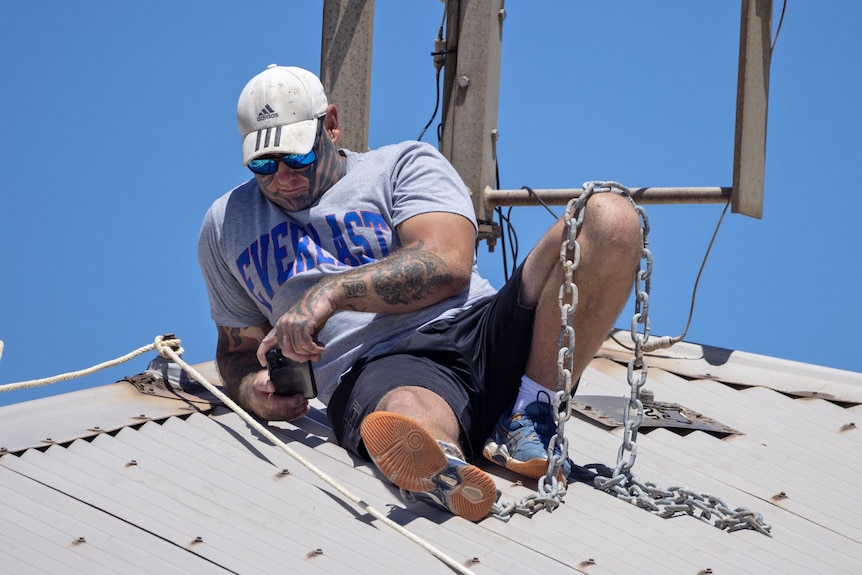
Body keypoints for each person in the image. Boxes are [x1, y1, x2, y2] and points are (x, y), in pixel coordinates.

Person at [198, 64, 642, 522]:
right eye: (263, 166)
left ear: (330, 125)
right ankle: (444, 468)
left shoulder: (401, 165)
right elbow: (237, 351)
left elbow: (448, 262)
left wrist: (331, 293)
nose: (282, 178)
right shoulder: (225, 226)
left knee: (609, 219)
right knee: (407, 415)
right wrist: (252, 389)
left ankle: (530, 412)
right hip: (380, 364)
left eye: (298, 158)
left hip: (480, 326)